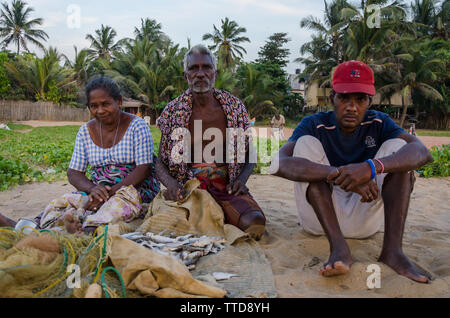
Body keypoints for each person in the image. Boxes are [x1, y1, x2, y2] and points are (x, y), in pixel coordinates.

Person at [270, 60, 433, 283]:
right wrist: (340, 174)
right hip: (319, 223)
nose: (352, 106)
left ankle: (393, 251)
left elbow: (422, 152)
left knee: (399, 150)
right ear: (332, 99)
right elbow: (278, 162)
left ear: (369, 101)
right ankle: (338, 247)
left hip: (365, 218)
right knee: (306, 145)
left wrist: (370, 168)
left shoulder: (379, 122)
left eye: (360, 99)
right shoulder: (314, 124)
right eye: (344, 98)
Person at [0, 77, 160, 234]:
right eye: (94, 106)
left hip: (132, 190)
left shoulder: (136, 126)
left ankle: (83, 232)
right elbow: (74, 172)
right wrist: (93, 189)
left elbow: (143, 169)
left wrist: (109, 194)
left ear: (118, 102)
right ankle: (32, 227)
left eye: (105, 104)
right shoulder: (85, 131)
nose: (100, 110)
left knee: (114, 208)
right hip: (97, 189)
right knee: (62, 203)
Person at [156, 44, 266, 240]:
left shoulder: (234, 108)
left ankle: (221, 212)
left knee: (254, 222)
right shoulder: (173, 111)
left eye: (206, 67)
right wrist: (172, 184)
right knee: (170, 228)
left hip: (227, 186)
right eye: (194, 68)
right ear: (185, 75)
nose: (200, 74)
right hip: (189, 188)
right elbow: (159, 162)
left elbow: (249, 154)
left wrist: (241, 180)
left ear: (215, 73)